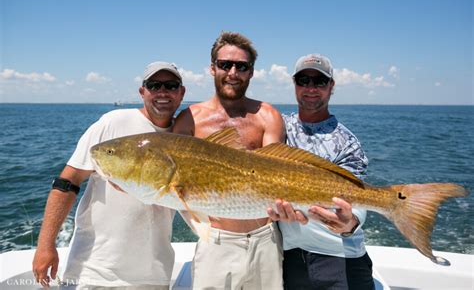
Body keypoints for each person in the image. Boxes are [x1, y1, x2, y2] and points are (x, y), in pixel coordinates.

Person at [32, 61, 186, 289]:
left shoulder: (185, 136)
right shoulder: (113, 123)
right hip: (95, 272)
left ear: (181, 93)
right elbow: (68, 181)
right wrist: (45, 245)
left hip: (154, 277)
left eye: (171, 85)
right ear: (142, 91)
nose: (162, 92)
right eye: (154, 85)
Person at [173, 31, 286, 290]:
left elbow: (276, 174)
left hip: (265, 239)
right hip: (216, 241)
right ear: (212, 68)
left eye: (241, 66)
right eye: (225, 64)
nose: (233, 73)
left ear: (251, 72)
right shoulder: (190, 119)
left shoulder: (267, 116)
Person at [268, 53, 375, 290]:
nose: (311, 88)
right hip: (291, 258)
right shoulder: (278, 128)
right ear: (294, 84)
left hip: (341, 259)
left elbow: (358, 198)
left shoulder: (348, 142)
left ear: (331, 86)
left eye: (320, 81)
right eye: (303, 80)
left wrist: (350, 223)